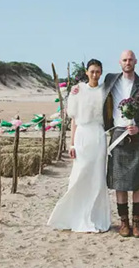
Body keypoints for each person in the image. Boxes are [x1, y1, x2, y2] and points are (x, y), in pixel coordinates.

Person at [47, 59, 111, 232]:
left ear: (101, 72)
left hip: (98, 135)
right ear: (87, 71)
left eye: (98, 71)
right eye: (92, 71)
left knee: (97, 178)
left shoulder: (105, 90)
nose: (95, 74)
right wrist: (72, 143)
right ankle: (72, 216)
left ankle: (94, 216)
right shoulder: (78, 90)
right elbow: (74, 119)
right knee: (79, 175)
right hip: (82, 135)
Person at [104, 50, 139, 238]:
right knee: (119, 183)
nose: (128, 62)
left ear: (136, 61)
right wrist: (78, 89)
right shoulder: (110, 80)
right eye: (124, 60)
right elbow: (92, 88)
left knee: (138, 183)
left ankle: (137, 223)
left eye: (130, 59)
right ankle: (123, 223)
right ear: (120, 62)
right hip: (119, 136)